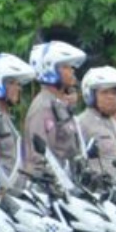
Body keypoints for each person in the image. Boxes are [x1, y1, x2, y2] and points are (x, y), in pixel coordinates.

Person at [23, 39, 86, 181]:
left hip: (69, 182)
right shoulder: (43, 107)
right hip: (53, 185)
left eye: (71, 67)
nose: (72, 71)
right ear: (49, 70)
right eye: (66, 67)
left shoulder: (59, 104)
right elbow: (40, 157)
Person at [0, 53, 34, 192]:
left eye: (18, 84)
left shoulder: (2, 115)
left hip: (15, 192)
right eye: (12, 83)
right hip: (0, 195)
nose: (19, 88)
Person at [77, 65, 116, 188]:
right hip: (97, 192)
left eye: (115, 93)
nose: (111, 97)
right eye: (105, 92)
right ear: (90, 95)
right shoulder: (81, 123)